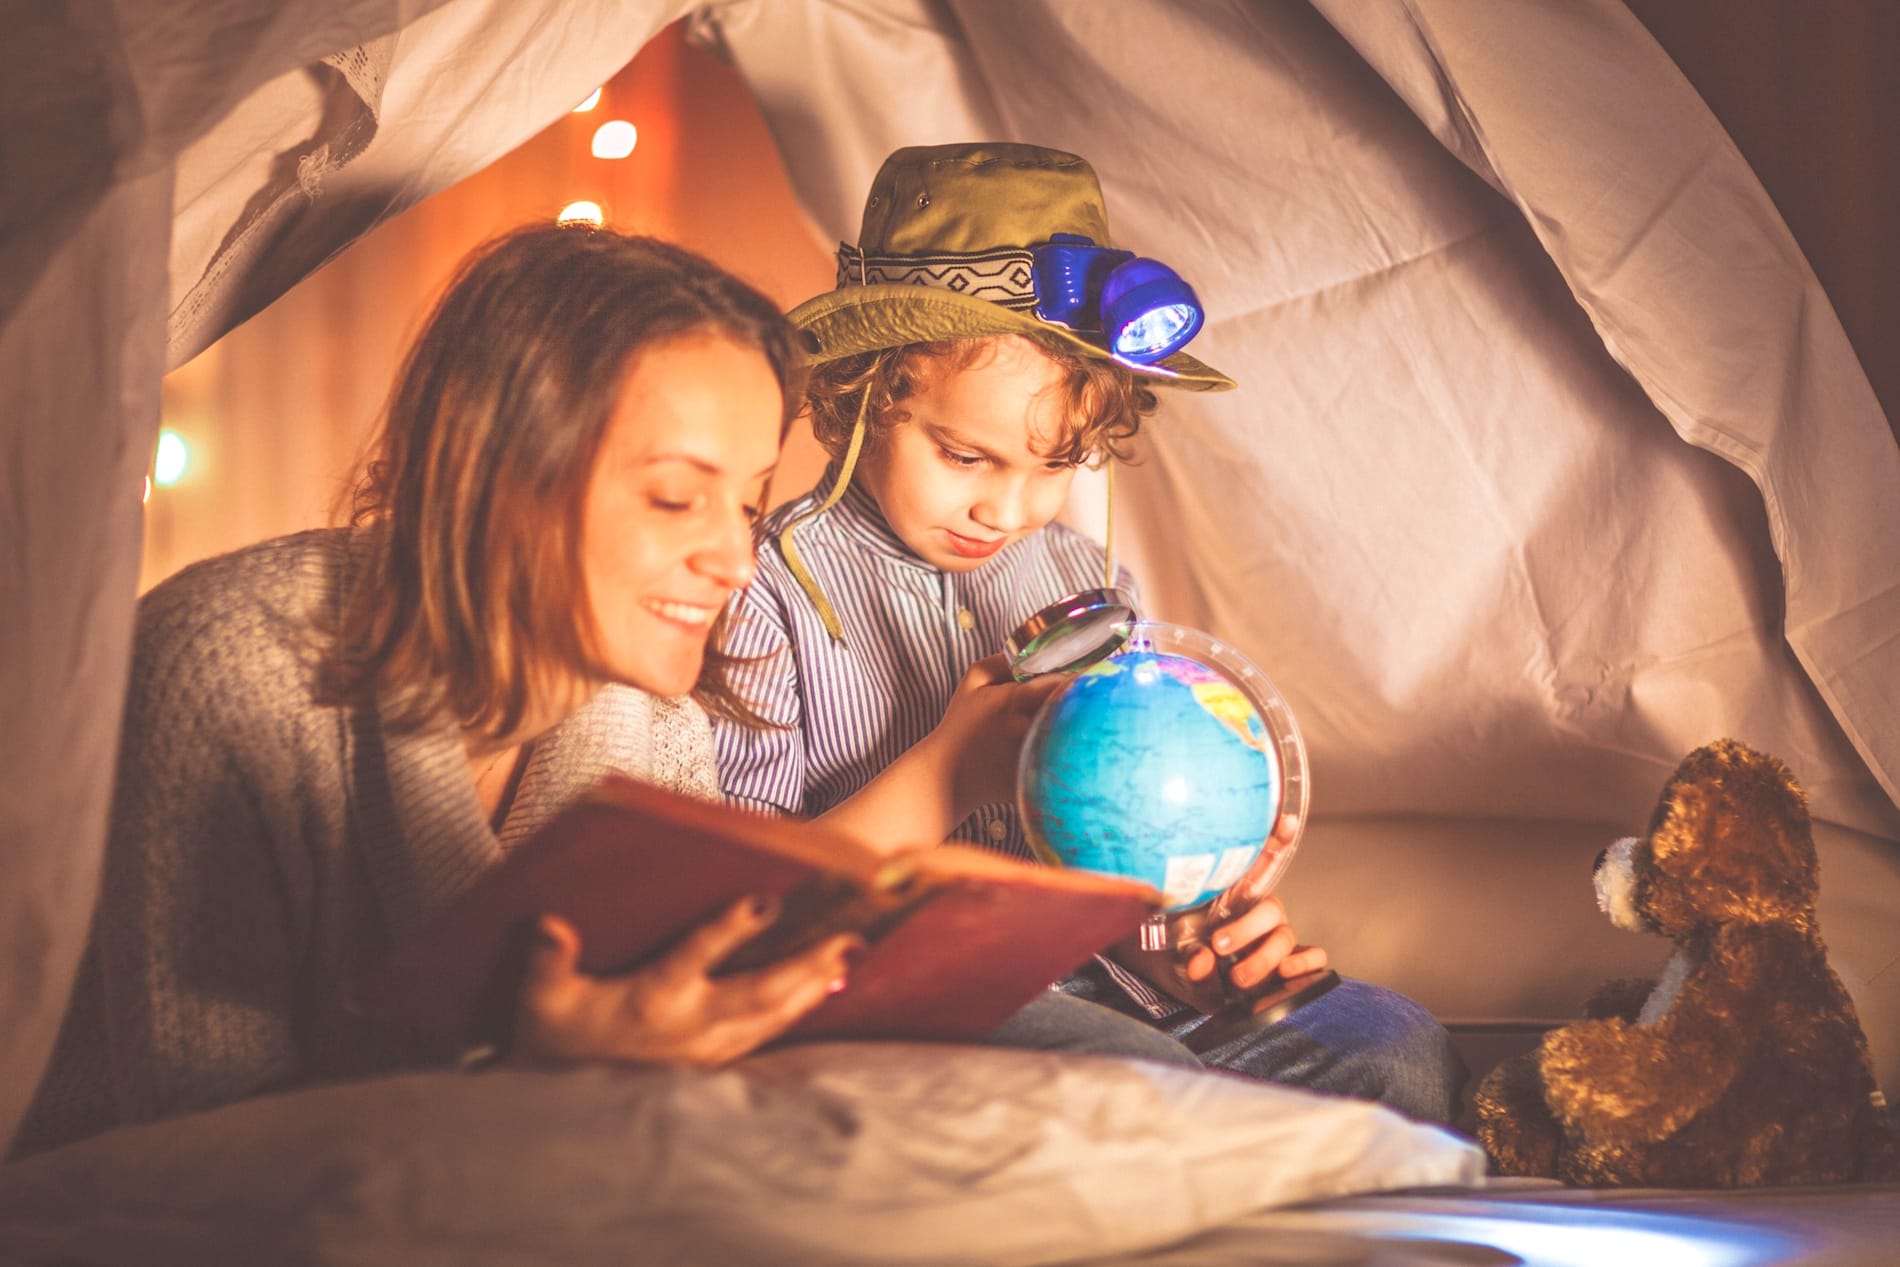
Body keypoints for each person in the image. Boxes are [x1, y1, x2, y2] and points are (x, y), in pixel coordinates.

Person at [14, 225, 875, 1156]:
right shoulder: (225, 670)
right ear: (497, 472)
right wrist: (531, 1080)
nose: (739, 562)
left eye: (749, 505)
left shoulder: (661, 728)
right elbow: (213, 1165)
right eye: (675, 497)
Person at [715, 143, 1466, 1123]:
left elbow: (1105, 880)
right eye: (963, 455)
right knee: (1118, 1071)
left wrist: (1187, 952)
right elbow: (745, 909)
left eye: (1055, 462)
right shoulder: (764, 585)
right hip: (903, 1004)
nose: (1007, 509)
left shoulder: (1082, 580)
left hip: (1103, 993)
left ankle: (1189, 1135)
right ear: (862, 392)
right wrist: (949, 771)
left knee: (1395, 1048)